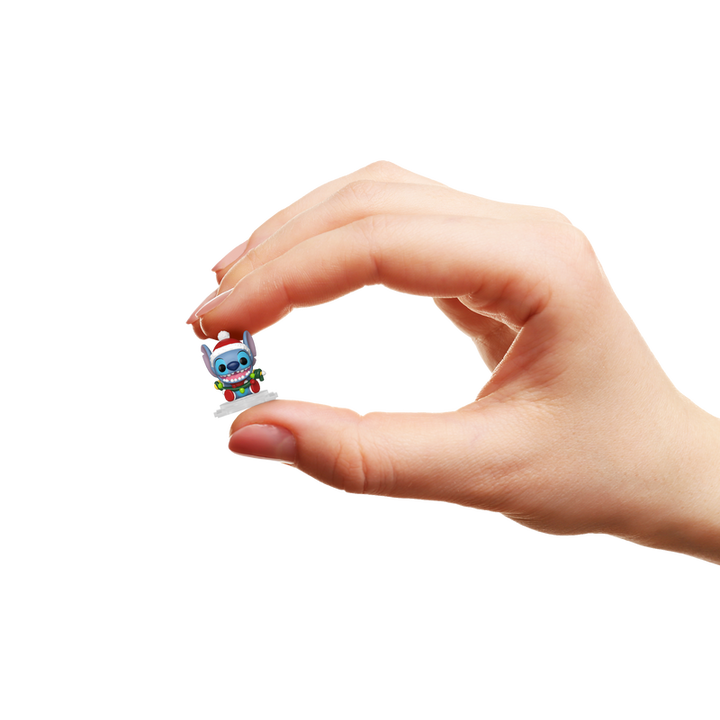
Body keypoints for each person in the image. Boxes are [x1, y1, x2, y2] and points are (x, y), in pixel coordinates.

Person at [182, 156, 719, 568]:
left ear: (248, 357)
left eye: (235, 364)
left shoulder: (247, 368)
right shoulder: (233, 374)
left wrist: (694, 473)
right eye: (224, 367)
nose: (232, 369)